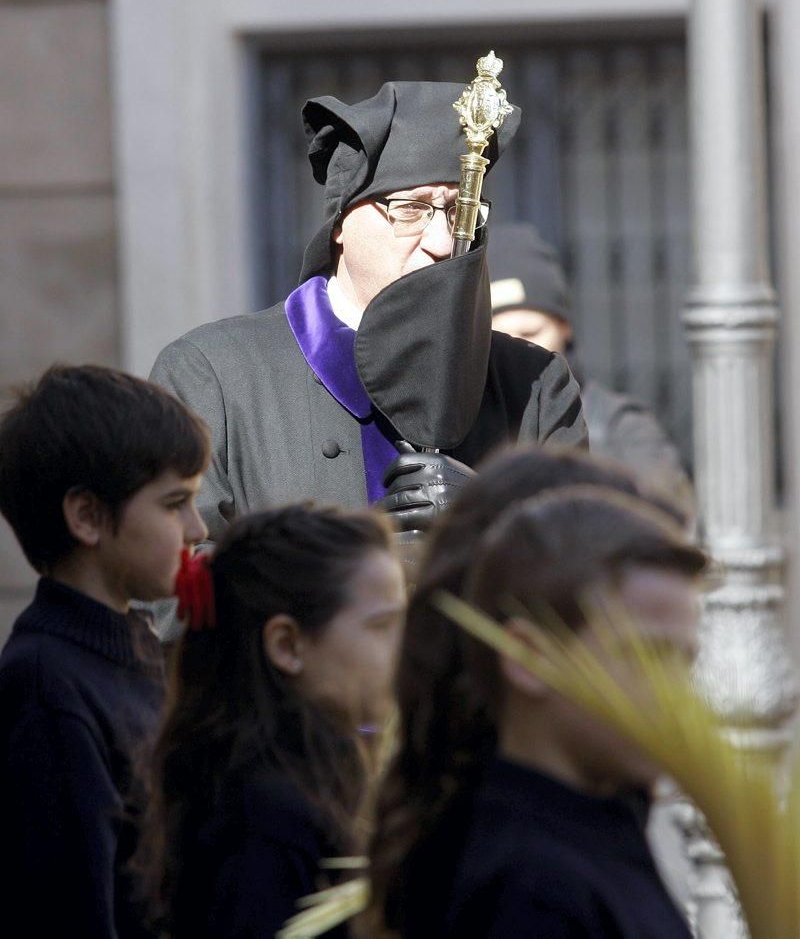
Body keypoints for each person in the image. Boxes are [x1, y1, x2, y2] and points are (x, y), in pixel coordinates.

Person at [150, 79, 586, 546]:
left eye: (461, 211)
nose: (442, 243)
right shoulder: (212, 375)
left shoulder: (534, 383)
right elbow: (173, 585)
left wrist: (489, 523)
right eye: (412, 208)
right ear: (342, 224)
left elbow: (595, 581)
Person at [366, 471, 704, 937]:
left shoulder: (602, 822)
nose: (679, 696)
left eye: (685, 663)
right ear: (530, 656)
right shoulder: (528, 888)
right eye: (645, 656)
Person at [0, 364, 209, 937]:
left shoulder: (135, 645)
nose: (196, 528)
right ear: (87, 517)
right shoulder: (46, 685)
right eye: (174, 504)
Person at [133, 504, 406, 938]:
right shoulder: (265, 819)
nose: (407, 649)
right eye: (382, 626)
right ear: (288, 645)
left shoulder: (317, 777)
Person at [489, 222, 692, 513]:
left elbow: (668, 528)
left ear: (564, 327)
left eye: (530, 333)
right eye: (498, 337)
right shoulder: (464, 429)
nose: (516, 349)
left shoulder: (622, 430)